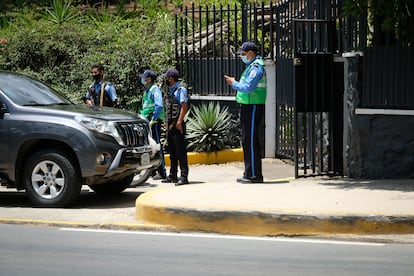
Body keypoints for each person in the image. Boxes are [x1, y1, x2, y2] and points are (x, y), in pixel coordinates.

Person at [224, 42, 266, 183]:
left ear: (250, 53)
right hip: (248, 106)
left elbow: (248, 87)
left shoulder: (256, 68)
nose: (242, 57)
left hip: (253, 106)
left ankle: (254, 175)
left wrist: (233, 83)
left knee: (251, 140)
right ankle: (249, 172)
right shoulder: (250, 67)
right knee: (247, 140)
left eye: (243, 54)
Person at [161, 68, 189, 185]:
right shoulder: (170, 91)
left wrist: (179, 122)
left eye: (167, 78)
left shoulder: (180, 90)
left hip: (178, 125)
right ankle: (173, 175)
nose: (165, 80)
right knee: (172, 151)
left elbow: (184, 106)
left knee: (180, 152)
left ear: (171, 79)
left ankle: (184, 177)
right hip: (170, 126)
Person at [139, 69, 167, 180]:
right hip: (147, 120)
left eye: (144, 77)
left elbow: (159, 106)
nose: (142, 79)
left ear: (149, 79)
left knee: (157, 145)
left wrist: (154, 119)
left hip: (153, 121)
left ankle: (162, 172)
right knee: (150, 147)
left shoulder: (155, 90)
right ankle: (153, 171)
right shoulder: (147, 91)